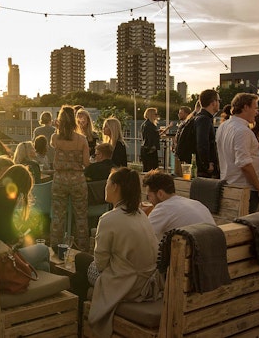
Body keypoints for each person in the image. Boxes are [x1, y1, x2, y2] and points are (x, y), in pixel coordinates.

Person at [87, 168, 160, 336]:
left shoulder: (108, 219)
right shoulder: (141, 214)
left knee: (83, 264)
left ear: (115, 187)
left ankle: (85, 326)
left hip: (128, 285)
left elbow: (100, 264)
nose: (105, 186)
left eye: (107, 183)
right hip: (148, 283)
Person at [216, 93, 259, 213]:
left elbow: (230, 153)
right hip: (245, 191)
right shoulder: (243, 131)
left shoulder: (223, 126)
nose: (256, 112)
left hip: (227, 186)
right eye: (255, 108)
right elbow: (244, 164)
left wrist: (255, 147)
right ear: (246, 107)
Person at [50, 105, 90, 250]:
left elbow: (53, 143)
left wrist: (58, 128)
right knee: (80, 217)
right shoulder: (82, 140)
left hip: (59, 179)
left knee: (57, 216)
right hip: (77, 180)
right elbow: (86, 163)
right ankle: (83, 249)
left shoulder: (55, 138)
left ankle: (55, 248)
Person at [142, 169, 215, 241]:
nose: (148, 200)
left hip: (195, 251)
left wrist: (141, 215)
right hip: (215, 249)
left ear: (160, 194)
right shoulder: (196, 203)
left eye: (148, 196)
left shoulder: (163, 208)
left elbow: (143, 237)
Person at [194, 89, 220, 178]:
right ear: (213, 102)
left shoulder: (200, 117)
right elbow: (202, 143)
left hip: (202, 168)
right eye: (218, 100)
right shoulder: (204, 119)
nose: (219, 103)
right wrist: (207, 164)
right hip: (206, 170)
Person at [140, 107, 160, 172]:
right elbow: (151, 138)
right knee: (152, 169)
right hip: (149, 149)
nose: (157, 116)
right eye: (155, 114)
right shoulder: (150, 125)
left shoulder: (145, 124)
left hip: (145, 148)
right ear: (151, 114)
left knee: (146, 168)